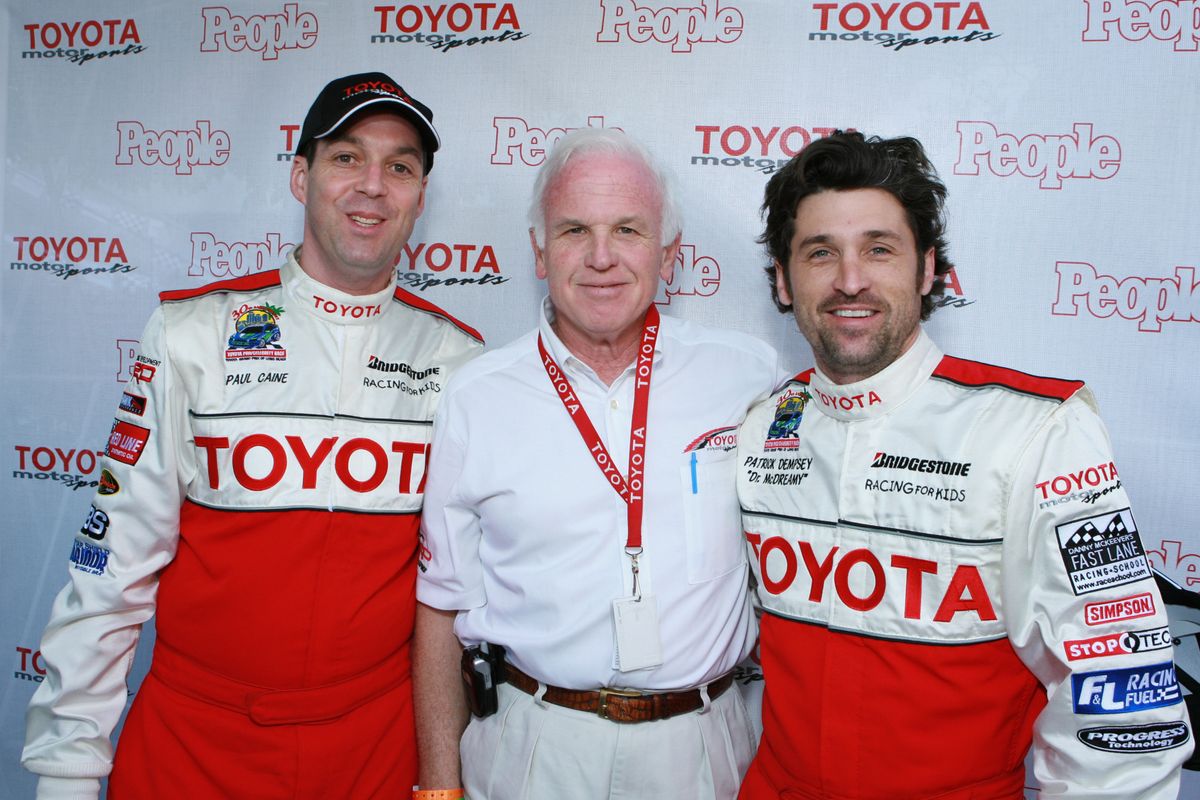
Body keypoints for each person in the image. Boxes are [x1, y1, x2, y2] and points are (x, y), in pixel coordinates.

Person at [22, 72, 483, 800]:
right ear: (301, 177)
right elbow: (107, 570)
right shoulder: (192, 332)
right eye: (346, 158)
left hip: (376, 750)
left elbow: (461, 595)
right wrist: (67, 772)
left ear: (421, 197)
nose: (372, 185)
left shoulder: (462, 362)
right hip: (192, 744)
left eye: (400, 167)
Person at [736, 130, 1193, 798]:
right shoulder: (760, 428)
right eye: (819, 252)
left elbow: (1122, 687)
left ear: (927, 270)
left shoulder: (1038, 428)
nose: (850, 278)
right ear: (782, 277)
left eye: (879, 249)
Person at [413, 128, 779, 800]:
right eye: (575, 230)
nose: (602, 257)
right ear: (539, 250)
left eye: (629, 230)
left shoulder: (747, 378)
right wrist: (438, 787)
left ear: (668, 254)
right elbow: (441, 607)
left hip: (702, 746)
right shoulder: (477, 395)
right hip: (535, 745)